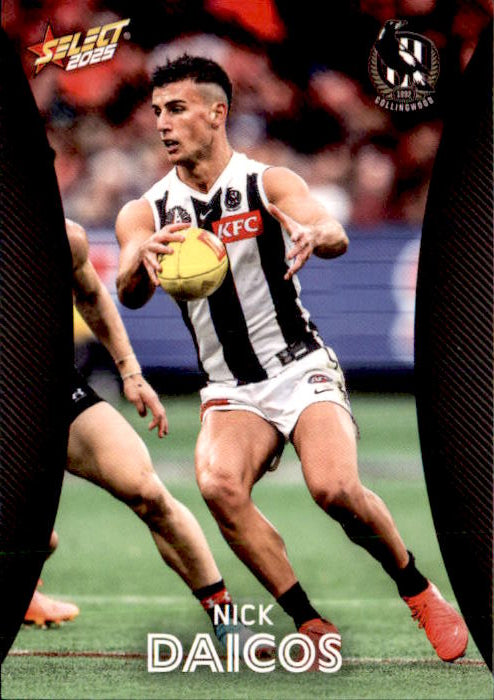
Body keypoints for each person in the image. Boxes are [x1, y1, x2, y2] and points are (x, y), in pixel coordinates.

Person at [115, 54, 469, 664]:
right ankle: (308, 619)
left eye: (177, 109)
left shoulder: (267, 183)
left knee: (335, 489)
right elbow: (127, 288)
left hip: (298, 366)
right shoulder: (145, 213)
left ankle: (417, 588)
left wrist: (314, 235)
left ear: (217, 113)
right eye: (157, 112)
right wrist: (141, 261)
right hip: (230, 386)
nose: (163, 124)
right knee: (219, 485)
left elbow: (331, 231)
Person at [24, 218, 252, 649]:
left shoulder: (64, 238)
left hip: (46, 384)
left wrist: (130, 372)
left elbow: (90, 294)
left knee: (147, 491)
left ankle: (226, 621)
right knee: (36, 540)